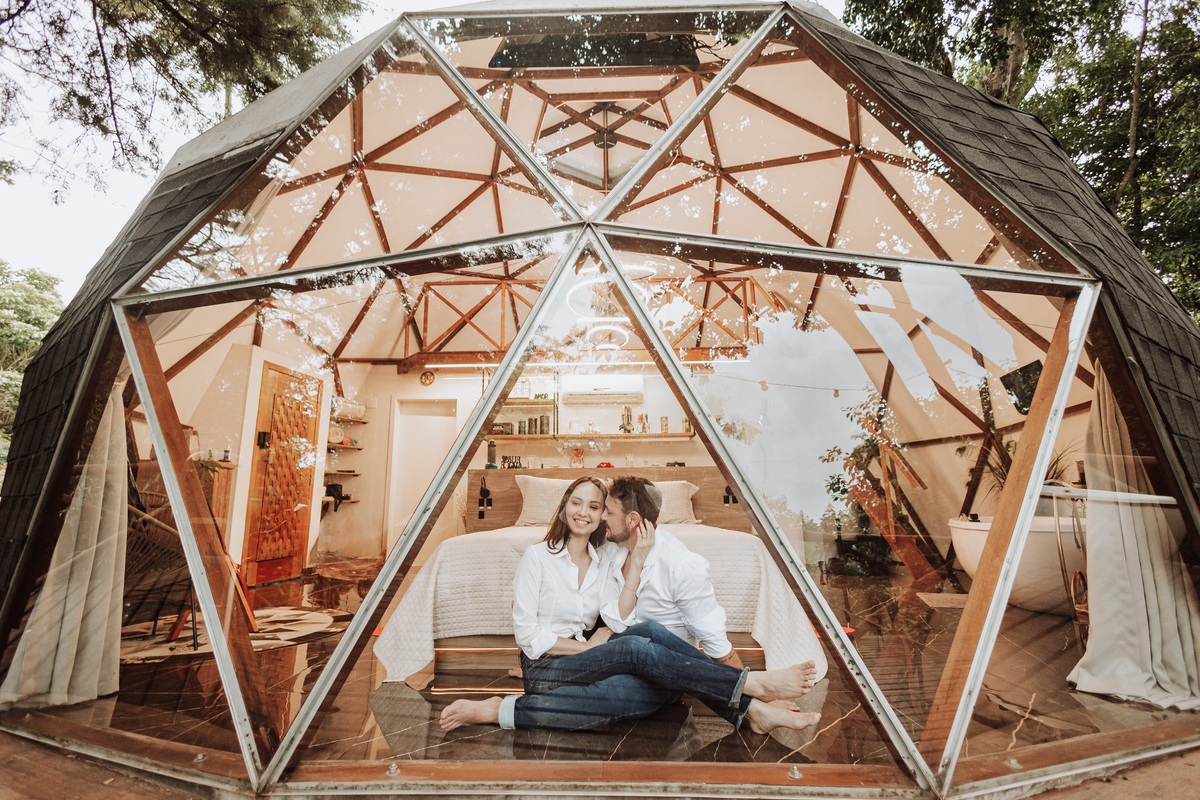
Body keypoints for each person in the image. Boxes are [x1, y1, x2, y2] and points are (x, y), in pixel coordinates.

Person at [440, 477, 821, 733]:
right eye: (578, 503)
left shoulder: (606, 555)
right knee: (640, 646)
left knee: (645, 656)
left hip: (585, 662)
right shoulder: (536, 558)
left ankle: (749, 713)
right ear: (563, 507)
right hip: (545, 667)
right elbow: (527, 633)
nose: (590, 514)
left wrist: (636, 563)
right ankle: (749, 687)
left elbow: (619, 618)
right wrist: (588, 646)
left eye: (598, 507)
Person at [600, 475, 741, 667]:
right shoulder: (612, 550)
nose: (602, 517)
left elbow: (716, 643)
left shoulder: (681, 566)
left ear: (632, 519)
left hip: (666, 671)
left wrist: (745, 692)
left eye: (609, 512)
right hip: (622, 660)